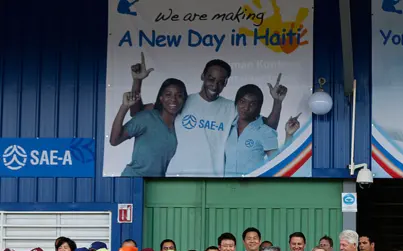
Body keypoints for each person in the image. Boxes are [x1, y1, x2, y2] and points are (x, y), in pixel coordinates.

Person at [130, 56, 286, 177]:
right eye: (211, 79)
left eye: (220, 81)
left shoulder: (231, 108)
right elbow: (138, 113)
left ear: (225, 83)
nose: (215, 85)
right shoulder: (182, 101)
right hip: (178, 175)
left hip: (214, 178)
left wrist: (277, 102)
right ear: (202, 76)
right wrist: (137, 81)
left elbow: (267, 127)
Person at [110, 78, 187, 176]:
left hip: (158, 184)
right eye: (168, 94)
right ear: (161, 98)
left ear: (184, 100)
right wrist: (124, 107)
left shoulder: (183, 125)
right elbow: (114, 141)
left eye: (179, 95)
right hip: (133, 180)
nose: (173, 99)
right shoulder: (146, 117)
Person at [224, 85, 281, 176]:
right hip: (226, 187)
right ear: (236, 102)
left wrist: (277, 101)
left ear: (259, 107)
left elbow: (278, 164)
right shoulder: (228, 128)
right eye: (242, 101)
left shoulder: (265, 131)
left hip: (252, 187)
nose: (246, 108)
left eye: (252, 104)